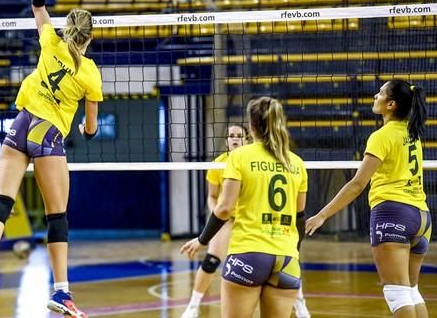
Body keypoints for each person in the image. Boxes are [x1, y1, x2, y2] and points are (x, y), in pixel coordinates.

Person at [0, 0, 103, 318]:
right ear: (90, 37)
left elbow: (37, 7)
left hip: (20, 124)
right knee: (56, 216)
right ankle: (61, 292)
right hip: (48, 136)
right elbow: (91, 129)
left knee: (2, 200)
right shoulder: (90, 74)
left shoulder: (50, 42)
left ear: (67, 29)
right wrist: (84, 129)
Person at [306, 81, 430, 318]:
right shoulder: (412, 133)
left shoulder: (381, 136)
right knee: (411, 291)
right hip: (422, 216)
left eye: (381, 93)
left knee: (397, 293)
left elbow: (357, 185)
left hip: (393, 214)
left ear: (391, 104)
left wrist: (322, 215)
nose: (376, 95)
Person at [181, 97, 308, 318]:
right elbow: (300, 216)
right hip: (286, 257)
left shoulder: (239, 157)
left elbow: (223, 208)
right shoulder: (296, 162)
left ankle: (193, 306)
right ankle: (193, 304)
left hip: (248, 253)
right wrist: (293, 251)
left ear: (250, 127)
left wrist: (201, 240)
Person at [180, 124, 247, 318]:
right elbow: (212, 196)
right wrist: (216, 213)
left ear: (247, 139)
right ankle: (193, 306)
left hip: (249, 219)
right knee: (211, 260)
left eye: (239, 136)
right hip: (226, 218)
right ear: (226, 141)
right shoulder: (218, 164)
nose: (235, 139)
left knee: (278, 259)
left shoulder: (252, 162)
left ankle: (299, 304)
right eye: (231, 136)